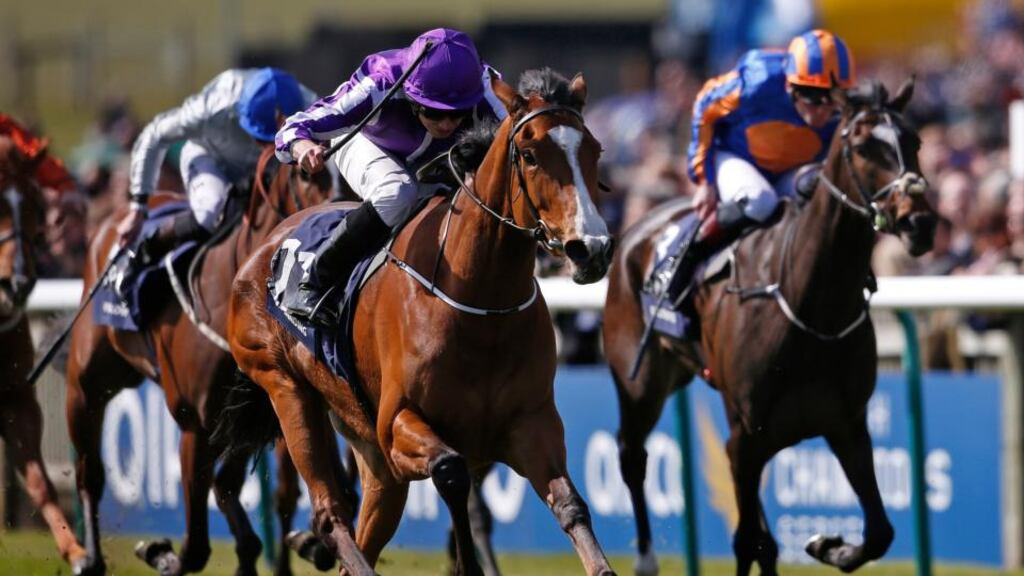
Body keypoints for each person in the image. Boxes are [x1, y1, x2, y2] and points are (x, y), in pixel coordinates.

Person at [275, 27, 507, 325]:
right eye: (434, 112)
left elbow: (524, 140)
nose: (447, 124)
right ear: (412, 98)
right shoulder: (381, 82)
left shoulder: (484, 85)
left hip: (435, 161)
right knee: (398, 193)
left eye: (458, 113)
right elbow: (295, 127)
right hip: (368, 143)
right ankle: (313, 282)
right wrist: (302, 146)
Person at [672, 29, 857, 293]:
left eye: (833, 98)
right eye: (813, 96)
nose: (823, 110)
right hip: (737, 157)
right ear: (789, 85)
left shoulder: (847, 110)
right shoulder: (758, 82)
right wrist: (705, 181)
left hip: (790, 170)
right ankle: (688, 256)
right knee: (760, 200)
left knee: (824, 199)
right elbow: (705, 103)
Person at [115, 67, 315, 269]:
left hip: (267, 168)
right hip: (209, 155)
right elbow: (153, 136)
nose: (267, 149)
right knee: (212, 209)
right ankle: (148, 248)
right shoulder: (214, 106)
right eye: (262, 140)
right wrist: (138, 208)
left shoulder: (311, 106)